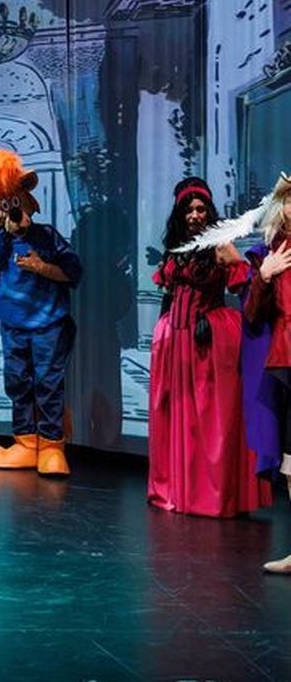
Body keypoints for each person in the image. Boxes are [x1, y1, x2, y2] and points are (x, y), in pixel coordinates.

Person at [147, 177, 269, 518]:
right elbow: (169, 294)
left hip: (207, 342)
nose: (195, 215)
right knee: (175, 416)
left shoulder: (220, 245)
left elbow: (246, 290)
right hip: (175, 342)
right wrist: (162, 332)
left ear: (209, 211)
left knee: (209, 421)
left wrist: (222, 318)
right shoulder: (177, 249)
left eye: (200, 209)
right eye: (189, 210)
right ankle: (177, 490)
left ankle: (211, 496)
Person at [0, 149, 81, 477]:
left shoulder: (47, 237)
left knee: (48, 382)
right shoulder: (1, 241)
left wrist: (42, 267)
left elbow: (73, 272)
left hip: (48, 323)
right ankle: (27, 443)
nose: (13, 211)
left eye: (14, 202)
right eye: (5, 205)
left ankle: (52, 445)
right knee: (18, 382)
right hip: (14, 326)